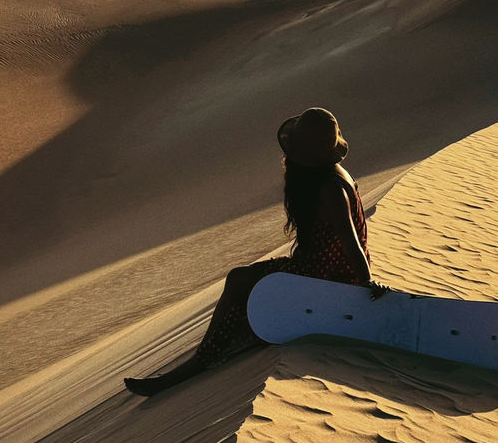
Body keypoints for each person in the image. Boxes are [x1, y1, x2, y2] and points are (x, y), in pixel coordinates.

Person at [124, 107, 388, 396]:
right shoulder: (329, 175)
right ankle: (221, 344)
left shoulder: (328, 188)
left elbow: (351, 240)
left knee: (239, 283)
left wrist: (364, 284)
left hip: (325, 278)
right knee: (243, 281)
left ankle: (204, 358)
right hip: (316, 267)